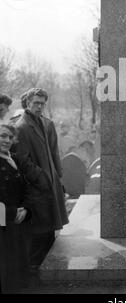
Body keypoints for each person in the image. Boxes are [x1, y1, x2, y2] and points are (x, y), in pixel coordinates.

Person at [13, 88, 68, 267]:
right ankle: (33, 272)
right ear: (28, 103)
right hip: (37, 186)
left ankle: (47, 268)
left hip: (52, 183)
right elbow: (23, 161)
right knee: (39, 230)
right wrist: (43, 178)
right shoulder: (21, 127)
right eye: (36, 103)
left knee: (51, 228)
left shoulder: (47, 123)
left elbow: (54, 153)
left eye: (42, 103)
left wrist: (58, 178)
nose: (39, 106)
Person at [0, 123, 31, 293]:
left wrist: (25, 208)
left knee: (15, 273)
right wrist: (13, 213)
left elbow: (26, 189)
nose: (7, 140)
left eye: (10, 137)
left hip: (16, 223)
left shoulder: (14, 159)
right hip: (3, 223)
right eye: (2, 136)